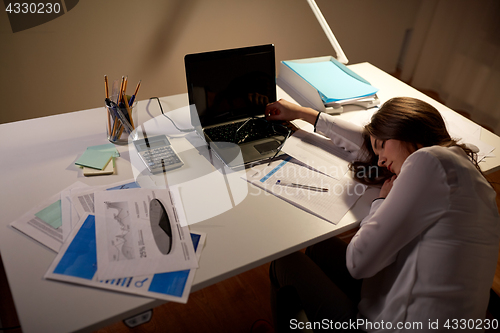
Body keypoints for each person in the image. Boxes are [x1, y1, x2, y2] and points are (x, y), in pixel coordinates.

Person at [264, 97, 500, 332]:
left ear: (403, 131)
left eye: (381, 147)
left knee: (284, 261)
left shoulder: (427, 161)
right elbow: (372, 143)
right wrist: (303, 113)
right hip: (416, 306)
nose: (381, 160)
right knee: (319, 247)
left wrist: (380, 202)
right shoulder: (462, 171)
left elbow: (358, 264)